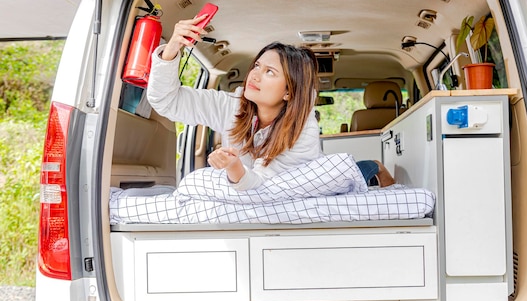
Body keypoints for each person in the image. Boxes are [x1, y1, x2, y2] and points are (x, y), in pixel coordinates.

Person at [147, 14, 394, 190]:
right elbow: (166, 101)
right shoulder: (231, 104)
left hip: (302, 186)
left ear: (289, 92)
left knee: (351, 174)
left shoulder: (303, 128)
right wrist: (172, 49)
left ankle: (374, 165)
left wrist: (233, 166)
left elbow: (264, 186)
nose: (253, 74)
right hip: (254, 182)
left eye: (270, 72)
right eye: (257, 65)